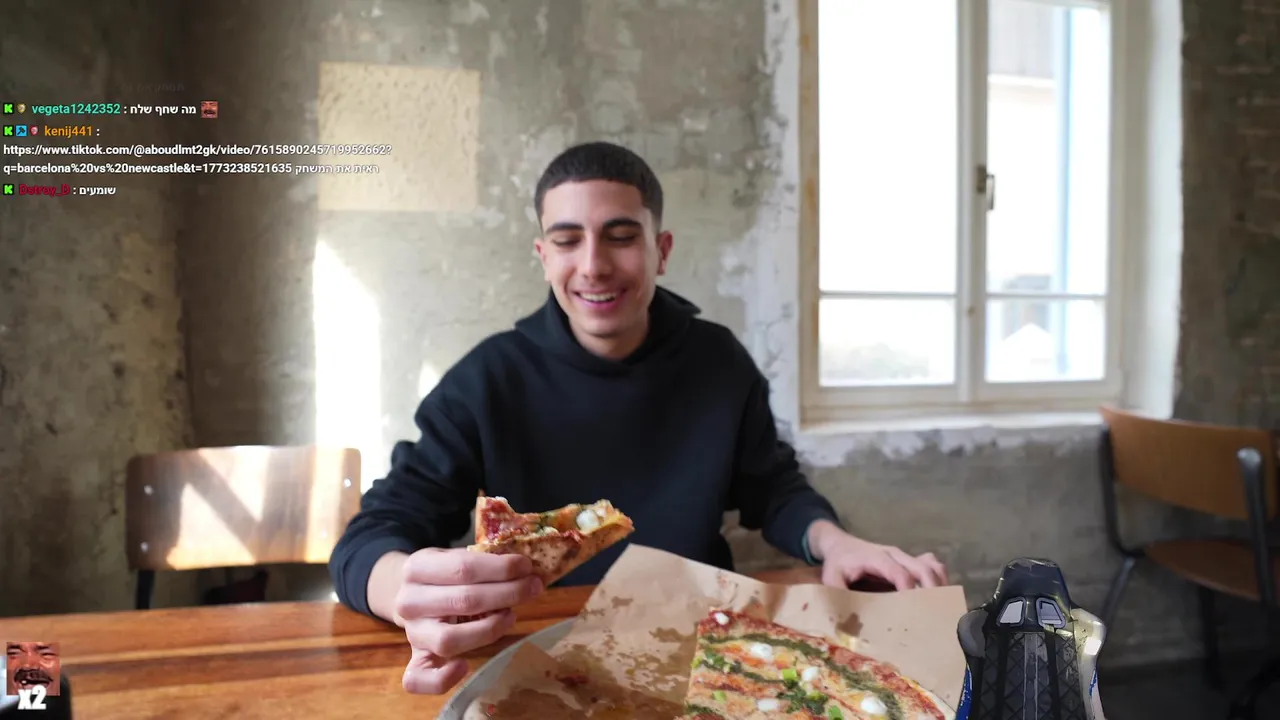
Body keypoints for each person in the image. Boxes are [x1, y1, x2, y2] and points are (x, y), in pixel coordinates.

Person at [328, 141, 949, 695]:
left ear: (661, 250)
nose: (593, 265)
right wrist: (404, 590)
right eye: (567, 240)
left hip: (706, 653)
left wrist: (836, 543)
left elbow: (774, 488)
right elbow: (372, 535)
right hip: (536, 659)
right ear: (543, 255)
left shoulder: (719, 362)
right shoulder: (486, 380)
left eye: (621, 236)